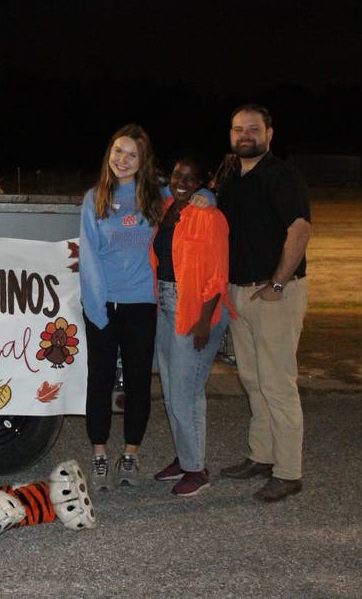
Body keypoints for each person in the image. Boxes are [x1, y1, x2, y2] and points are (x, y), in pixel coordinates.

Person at [216, 104, 311, 503]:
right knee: (253, 380)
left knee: (277, 383)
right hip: (240, 293)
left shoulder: (282, 175)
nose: (245, 135)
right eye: (238, 129)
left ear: (270, 134)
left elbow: (300, 230)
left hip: (275, 295)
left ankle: (288, 472)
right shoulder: (232, 178)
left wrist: (278, 283)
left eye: (253, 129)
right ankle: (262, 455)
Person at [79, 124, 165, 490]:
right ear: (109, 154)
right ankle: (99, 452)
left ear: (143, 160)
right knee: (99, 380)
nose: (123, 160)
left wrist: (205, 196)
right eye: (118, 151)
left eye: (132, 155)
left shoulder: (158, 195)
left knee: (137, 381)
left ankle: (130, 453)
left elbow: (193, 192)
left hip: (142, 304)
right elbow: (88, 255)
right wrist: (96, 308)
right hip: (103, 305)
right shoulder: (95, 198)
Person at [151, 156, 235, 496]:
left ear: (201, 183)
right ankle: (185, 457)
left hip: (196, 310)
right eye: (177, 176)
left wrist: (204, 321)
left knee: (187, 392)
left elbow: (218, 275)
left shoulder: (210, 217)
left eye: (190, 178)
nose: (182, 182)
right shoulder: (166, 209)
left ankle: (197, 470)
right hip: (166, 306)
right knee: (172, 389)